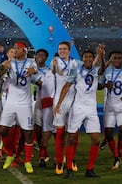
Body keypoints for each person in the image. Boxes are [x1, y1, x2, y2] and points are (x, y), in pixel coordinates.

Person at [55, 46, 106, 178]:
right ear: (82, 59)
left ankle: (90, 170)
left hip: (91, 110)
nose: (88, 59)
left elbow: (102, 70)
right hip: (77, 108)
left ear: (93, 59)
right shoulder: (76, 70)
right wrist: (59, 104)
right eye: (86, 57)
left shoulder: (95, 70)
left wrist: (102, 56)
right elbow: (66, 86)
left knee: (96, 140)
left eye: (90, 57)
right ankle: (69, 170)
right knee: (71, 138)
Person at [0, 41, 38, 174]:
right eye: (14, 48)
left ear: (24, 51)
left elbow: (34, 69)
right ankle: (10, 153)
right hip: (10, 101)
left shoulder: (30, 62)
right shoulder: (10, 63)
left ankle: (27, 161)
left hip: (25, 103)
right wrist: (3, 68)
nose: (15, 50)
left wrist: (33, 71)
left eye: (17, 48)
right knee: (3, 129)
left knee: (28, 132)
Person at [98, 51, 122, 173]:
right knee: (108, 134)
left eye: (119, 58)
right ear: (112, 59)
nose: (117, 60)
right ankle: (116, 157)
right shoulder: (107, 71)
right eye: (115, 58)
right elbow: (98, 86)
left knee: (121, 133)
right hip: (109, 106)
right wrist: (105, 85)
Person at [51, 41, 82, 175]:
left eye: (64, 49)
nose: (62, 51)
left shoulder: (76, 63)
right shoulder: (55, 61)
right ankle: (59, 161)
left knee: (73, 132)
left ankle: (71, 159)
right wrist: (53, 67)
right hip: (59, 100)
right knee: (60, 132)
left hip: (74, 100)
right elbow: (53, 72)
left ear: (69, 50)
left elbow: (89, 66)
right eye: (60, 49)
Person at [33, 49, 55, 168]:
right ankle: (44, 154)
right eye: (38, 55)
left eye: (42, 55)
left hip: (48, 103)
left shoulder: (49, 71)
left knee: (49, 129)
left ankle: (53, 156)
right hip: (37, 102)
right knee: (38, 129)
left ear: (46, 58)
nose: (40, 57)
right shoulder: (32, 69)